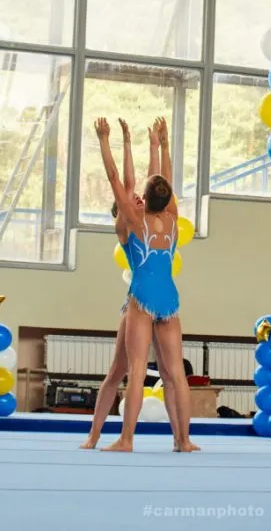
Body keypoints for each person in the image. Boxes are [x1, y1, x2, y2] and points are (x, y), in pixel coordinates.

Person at [94, 115, 199, 453]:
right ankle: (182, 440)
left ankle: (130, 438)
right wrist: (162, 146)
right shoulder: (173, 220)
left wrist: (105, 141)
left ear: (145, 198)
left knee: (138, 370)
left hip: (142, 299)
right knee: (175, 374)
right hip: (169, 300)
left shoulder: (135, 221)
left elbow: (116, 178)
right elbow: (162, 181)